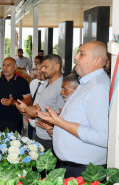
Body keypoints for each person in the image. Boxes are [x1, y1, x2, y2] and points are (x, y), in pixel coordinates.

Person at [38, 41, 109, 178]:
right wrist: (55, 125)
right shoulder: (86, 83)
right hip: (72, 167)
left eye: (82, 54)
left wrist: (61, 123)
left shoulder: (98, 87)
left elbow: (103, 136)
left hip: (84, 171)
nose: (76, 57)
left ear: (97, 60)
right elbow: (80, 119)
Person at [16, 54, 65, 150]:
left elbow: (64, 116)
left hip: (50, 137)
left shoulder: (62, 86)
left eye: (45, 67)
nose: (42, 70)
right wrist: (26, 110)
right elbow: (40, 107)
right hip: (38, 132)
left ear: (57, 67)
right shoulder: (46, 82)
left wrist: (39, 114)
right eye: (42, 67)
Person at [0, 57, 32, 134]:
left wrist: (13, 102)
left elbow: (29, 101)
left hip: (14, 121)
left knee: (13, 145)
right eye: (4, 65)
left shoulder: (22, 82)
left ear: (15, 68)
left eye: (8, 65)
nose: (5, 68)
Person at [27, 62, 45, 138]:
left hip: (41, 122)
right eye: (36, 69)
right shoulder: (34, 82)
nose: (38, 72)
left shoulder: (48, 85)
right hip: (30, 118)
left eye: (40, 69)